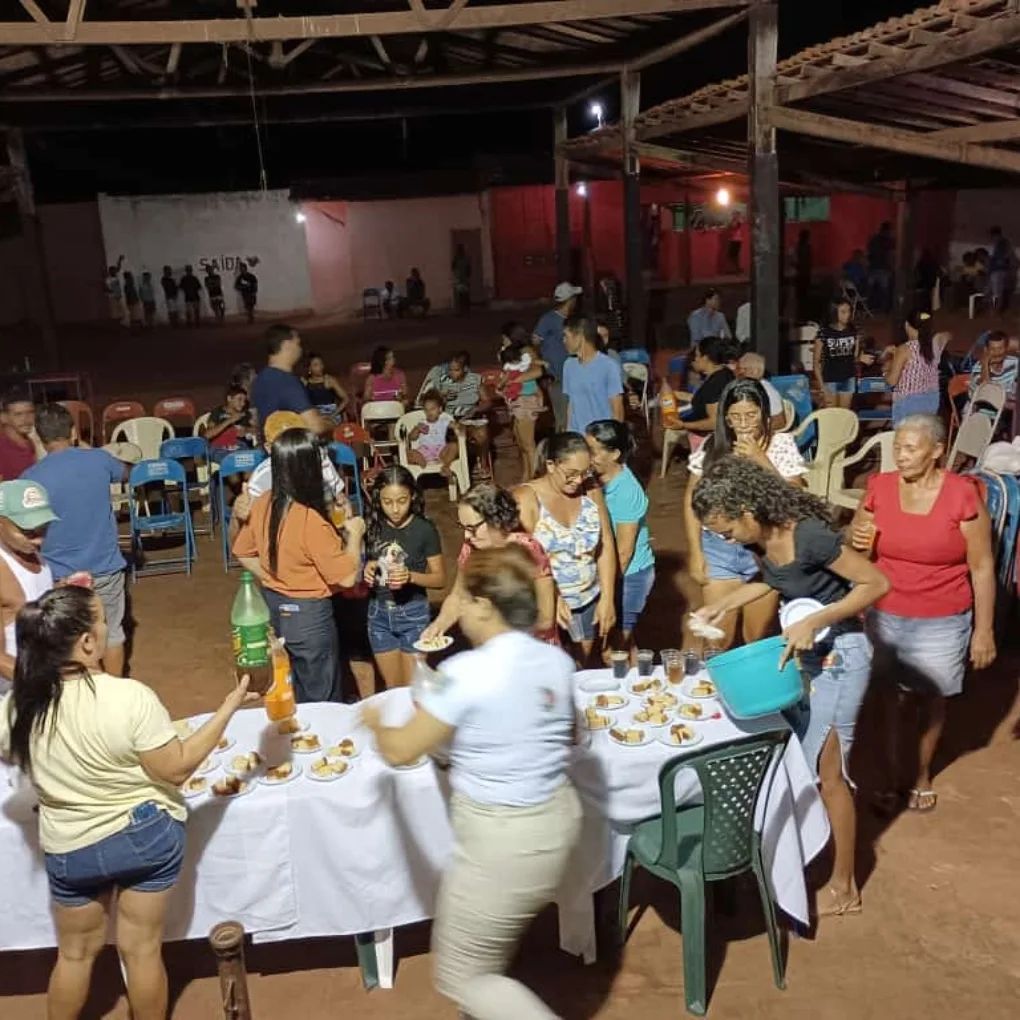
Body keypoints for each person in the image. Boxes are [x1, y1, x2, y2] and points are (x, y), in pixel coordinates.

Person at [0, 585, 256, 1020]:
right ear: (87, 642)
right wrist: (228, 708)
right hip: (142, 838)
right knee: (141, 951)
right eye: (102, 621)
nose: (107, 628)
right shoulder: (128, 697)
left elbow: (12, 755)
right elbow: (175, 769)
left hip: (70, 847)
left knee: (75, 955)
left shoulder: (17, 707)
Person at [361, 545, 580, 1020]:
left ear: (484, 605)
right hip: (557, 820)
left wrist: (376, 724)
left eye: (462, 600)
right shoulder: (556, 662)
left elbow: (401, 750)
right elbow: (572, 733)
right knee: (486, 959)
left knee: (462, 977)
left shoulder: (466, 672)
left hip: (503, 839)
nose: (456, 610)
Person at [691, 455, 890, 918]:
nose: (726, 540)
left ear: (747, 510)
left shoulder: (810, 536)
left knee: (828, 772)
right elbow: (772, 582)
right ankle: (795, 858)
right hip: (806, 651)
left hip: (841, 654)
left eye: (727, 530)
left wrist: (817, 620)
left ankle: (845, 883)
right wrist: (724, 605)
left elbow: (876, 583)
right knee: (801, 758)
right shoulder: (762, 539)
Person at [850, 415, 996, 814]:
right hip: (886, 610)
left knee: (930, 700)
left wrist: (983, 630)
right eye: (897, 447)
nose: (901, 455)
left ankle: (920, 774)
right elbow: (857, 548)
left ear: (936, 451)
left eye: (911, 448)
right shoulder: (880, 487)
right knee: (889, 699)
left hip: (942, 617)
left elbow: (982, 566)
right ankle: (890, 776)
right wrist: (857, 540)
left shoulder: (962, 495)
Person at [233, 428, 365, 702]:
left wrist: (274, 579)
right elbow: (347, 578)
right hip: (310, 616)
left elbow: (243, 552)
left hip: (274, 607)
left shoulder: (264, 502)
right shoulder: (310, 519)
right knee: (321, 696)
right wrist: (355, 535)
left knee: (289, 688)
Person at [684, 379, 807, 651]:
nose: (743, 424)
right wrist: (696, 552)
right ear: (726, 418)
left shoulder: (781, 443)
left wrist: (761, 458)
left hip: (765, 550)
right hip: (719, 550)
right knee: (717, 638)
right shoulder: (713, 446)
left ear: (764, 413)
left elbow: (796, 498)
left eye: (751, 415)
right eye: (735, 417)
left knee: (755, 638)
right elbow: (692, 501)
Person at [23, 405, 131, 676]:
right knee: (112, 632)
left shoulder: (31, 478)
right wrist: (81, 445)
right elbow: (125, 473)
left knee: (67, 637)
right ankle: (113, 688)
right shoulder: (98, 459)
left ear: (40, 437)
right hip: (104, 566)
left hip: (58, 573)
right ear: (72, 431)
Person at [515, 432, 616, 663]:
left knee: (580, 665)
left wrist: (607, 599)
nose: (578, 480)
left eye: (585, 472)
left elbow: (606, 545)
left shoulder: (591, 491)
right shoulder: (526, 498)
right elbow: (520, 560)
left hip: (587, 599)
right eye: (571, 474)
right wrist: (552, 595)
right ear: (551, 465)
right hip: (542, 605)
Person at [424, 482, 556, 644]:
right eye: (463, 527)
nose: (466, 536)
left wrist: (492, 629)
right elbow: (459, 596)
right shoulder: (469, 549)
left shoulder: (529, 550)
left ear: (496, 520)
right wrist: (438, 625)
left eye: (472, 528)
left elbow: (546, 618)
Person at [363, 466, 445, 688]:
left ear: (413, 497)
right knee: (393, 688)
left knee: (412, 688)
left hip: (413, 614)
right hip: (378, 614)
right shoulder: (372, 526)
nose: (395, 509)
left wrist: (410, 576)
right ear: (378, 500)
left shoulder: (424, 529)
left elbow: (440, 579)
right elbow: (361, 566)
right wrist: (367, 569)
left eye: (402, 501)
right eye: (387, 502)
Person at [585, 420, 654, 651]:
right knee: (623, 642)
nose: (586, 456)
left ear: (614, 454)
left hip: (630, 575)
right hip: (610, 570)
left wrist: (605, 590)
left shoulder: (626, 490)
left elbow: (624, 552)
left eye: (593, 451)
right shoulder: (592, 479)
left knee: (614, 649)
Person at [0, 479, 55, 690]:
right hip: (14, 690)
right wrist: (44, 686)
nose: (39, 540)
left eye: (44, 528)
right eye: (28, 530)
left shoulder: (27, 551)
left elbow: (29, 599)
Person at [250, 323, 327, 436]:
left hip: (270, 443)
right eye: (298, 344)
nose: (300, 349)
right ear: (287, 344)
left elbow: (255, 421)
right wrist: (328, 424)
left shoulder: (259, 380)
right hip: (291, 444)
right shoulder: (287, 382)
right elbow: (315, 427)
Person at [499, 322, 545, 482]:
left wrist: (514, 381)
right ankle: (526, 474)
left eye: (504, 338)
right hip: (517, 401)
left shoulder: (526, 352)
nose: (503, 341)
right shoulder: (512, 353)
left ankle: (534, 478)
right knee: (521, 441)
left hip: (526, 401)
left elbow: (538, 371)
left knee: (528, 443)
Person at [562, 316, 624, 433]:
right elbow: (571, 403)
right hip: (577, 435)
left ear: (580, 337)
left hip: (600, 435)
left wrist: (613, 438)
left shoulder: (609, 365)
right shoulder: (568, 365)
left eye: (566, 336)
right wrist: (569, 431)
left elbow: (617, 409)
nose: (564, 341)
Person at [533, 282, 582, 431]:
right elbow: (535, 340)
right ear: (570, 300)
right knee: (563, 419)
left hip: (573, 375)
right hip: (557, 377)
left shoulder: (573, 319)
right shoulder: (548, 319)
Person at [884, 310, 947, 424]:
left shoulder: (905, 349)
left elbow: (892, 381)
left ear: (907, 325)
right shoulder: (934, 345)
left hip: (909, 401)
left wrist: (887, 369)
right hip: (932, 399)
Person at [675, 335, 737, 437]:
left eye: (697, 355)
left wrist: (683, 425)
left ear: (705, 358)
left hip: (709, 436)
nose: (694, 359)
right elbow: (704, 399)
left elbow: (714, 422)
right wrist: (675, 394)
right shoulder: (723, 373)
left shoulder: (717, 382)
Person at [813, 298, 864, 410]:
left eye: (849, 311)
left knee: (844, 414)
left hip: (848, 378)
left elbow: (854, 357)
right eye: (843, 312)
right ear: (834, 313)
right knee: (832, 414)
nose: (848, 315)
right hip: (830, 379)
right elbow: (816, 363)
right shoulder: (824, 333)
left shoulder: (853, 331)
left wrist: (861, 358)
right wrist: (822, 387)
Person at [408, 390, 460, 478]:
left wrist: (458, 426)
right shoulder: (422, 423)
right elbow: (411, 438)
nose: (429, 412)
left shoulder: (444, 421)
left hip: (441, 452)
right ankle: (421, 462)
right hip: (423, 452)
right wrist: (417, 429)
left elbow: (457, 426)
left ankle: (446, 466)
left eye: (432, 409)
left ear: (440, 409)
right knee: (409, 453)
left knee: (454, 446)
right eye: (426, 410)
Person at [968, 328, 1018, 411]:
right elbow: (986, 390)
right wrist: (985, 364)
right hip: (984, 410)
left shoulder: (1013, 362)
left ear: (1006, 348)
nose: (997, 353)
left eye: (1000, 348)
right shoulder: (979, 367)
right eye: (993, 349)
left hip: (1009, 410)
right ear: (986, 350)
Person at [204, 385, 257, 460]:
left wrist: (246, 430)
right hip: (220, 447)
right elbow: (207, 435)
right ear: (229, 398)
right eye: (239, 399)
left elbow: (257, 430)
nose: (243, 403)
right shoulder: (218, 412)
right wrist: (229, 420)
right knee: (230, 461)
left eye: (244, 400)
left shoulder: (245, 414)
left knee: (252, 460)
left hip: (239, 447)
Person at [736, 351, 785, 429]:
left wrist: (754, 429)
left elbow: (779, 422)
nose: (737, 372)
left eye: (740, 368)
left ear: (753, 370)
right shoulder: (742, 387)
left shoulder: (767, 391)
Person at [0, 388, 38, 480]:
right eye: (18, 414)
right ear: (4, 417)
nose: (26, 419)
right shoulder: (2, 447)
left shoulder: (31, 443)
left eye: (30, 412)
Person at [302, 352, 349, 423]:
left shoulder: (329, 380)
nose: (320, 367)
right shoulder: (305, 382)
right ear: (309, 368)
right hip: (314, 415)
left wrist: (333, 415)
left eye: (321, 364)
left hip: (330, 414)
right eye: (316, 365)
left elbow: (346, 399)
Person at [867, 221, 894, 314]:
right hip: (883, 268)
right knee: (885, 291)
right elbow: (890, 255)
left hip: (873, 268)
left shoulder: (873, 239)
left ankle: (870, 308)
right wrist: (890, 267)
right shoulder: (888, 240)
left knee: (871, 290)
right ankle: (884, 309)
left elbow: (869, 253)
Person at [988, 226, 1015, 312]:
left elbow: (1007, 254)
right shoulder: (1000, 243)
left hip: (999, 270)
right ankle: (996, 308)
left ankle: (996, 309)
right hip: (997, 270)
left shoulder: (1002, 242)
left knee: (997, 292)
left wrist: (1001, 260)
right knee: (995, 291)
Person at [794, 229, 813, 321]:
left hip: (800, 273)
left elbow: (797, 261)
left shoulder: (798, 247)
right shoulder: (806, 247)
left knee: (800, 297)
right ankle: (803, 315)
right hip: (805, 273)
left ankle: (800, 315)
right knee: (804, 295)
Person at [452, 243, 472, 315]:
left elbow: (468, 269)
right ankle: (462, 310)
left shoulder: (462, 258)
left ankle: (464, 310)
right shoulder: (458, 258)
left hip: (462, 279)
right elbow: (453, 267)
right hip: (461, 279)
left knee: (464, 295)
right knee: (461, 295)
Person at [105, 256, 125, 324]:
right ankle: (116, 323)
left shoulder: (116, 277)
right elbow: (106, 289)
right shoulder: (108, 280)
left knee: (121, 311)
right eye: (112, 271)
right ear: (110, 272)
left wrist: (119, 260)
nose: (114, 272)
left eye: (114, 271)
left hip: (118, 296)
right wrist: (110, 291)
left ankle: (120, 322)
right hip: (113, 297)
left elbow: (118, 268)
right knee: (115, 312)